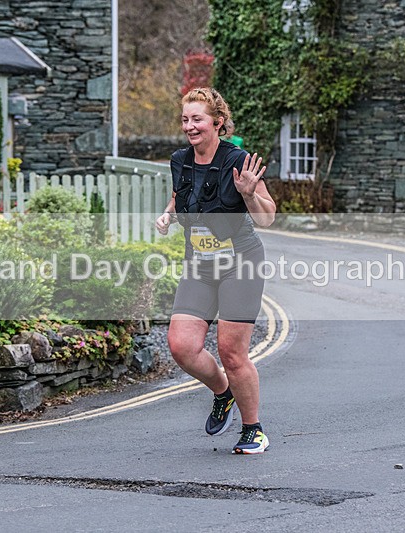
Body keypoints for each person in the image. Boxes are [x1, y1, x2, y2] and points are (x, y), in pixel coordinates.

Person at [155, 87, 276, 454]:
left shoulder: (238, 160)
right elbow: (180, 195)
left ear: (218, 122)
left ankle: (253, 429)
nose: (189, 126)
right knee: (182, 346)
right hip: (200, 263)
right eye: (185, 119)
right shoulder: (180, 160)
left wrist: (249, 194)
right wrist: (169, 215)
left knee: (231, 353)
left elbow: (267, 218)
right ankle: (223, 393)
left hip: (240, 262)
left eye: (197, 119)